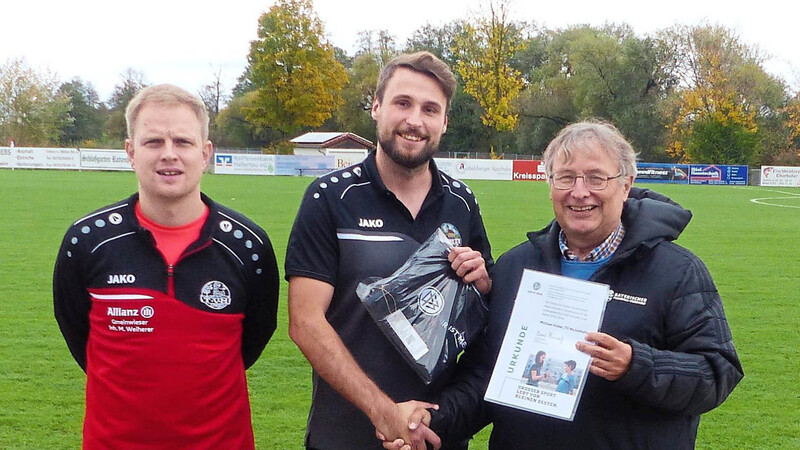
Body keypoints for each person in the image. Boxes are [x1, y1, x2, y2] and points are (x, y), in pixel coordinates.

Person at [388, 120, 743, 450]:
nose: (579, 192)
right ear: (550, 184)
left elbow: (717, 372)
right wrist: (437, 419)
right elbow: (487, 374)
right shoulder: (515, 267)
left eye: (595, 178)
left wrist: (636, 364)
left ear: (626, 185)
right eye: (565, 177)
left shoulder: (678, 272)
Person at [285, 51, 493, 450]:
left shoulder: (462, 202)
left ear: (444, 122)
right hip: (344, 435)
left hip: (435, 434)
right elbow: (305, 323)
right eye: (403, 103)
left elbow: (483, 317)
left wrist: (481, 282)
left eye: (430, 109)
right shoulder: (330, 198)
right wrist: (386, 415)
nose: (415, 120)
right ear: (377, 108)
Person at [53, 84, 280, 449]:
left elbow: (253, 338)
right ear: (130, 151)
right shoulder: (87, 241)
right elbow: (78, 334)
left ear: (205, 154)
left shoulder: (247, 246)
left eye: (183, 142)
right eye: (154, 142)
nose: (169, 155)